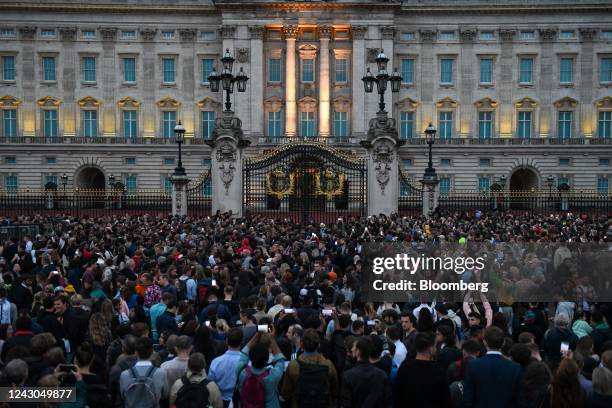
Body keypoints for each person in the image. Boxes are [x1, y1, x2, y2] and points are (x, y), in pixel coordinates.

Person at [462, 326, 524, 408]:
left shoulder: (473, 365)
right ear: (503, 343)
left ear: (485, 342)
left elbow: (468, 398)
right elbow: (520, 400)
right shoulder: (515, 368)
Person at [281, 328, 339, 408]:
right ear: (318, 345)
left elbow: (285, 393)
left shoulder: (293, 365)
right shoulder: (328, 364)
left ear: (301, 344)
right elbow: (335, 391)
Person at [394, 332, 451, 408]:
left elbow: (397, 396)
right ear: (430, 349)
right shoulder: (439, 371)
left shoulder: (404, 368)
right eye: (435, 346)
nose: (436, 348)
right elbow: (445, 400)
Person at [236, 332, 286, 408]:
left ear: (251, 358)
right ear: (267, 359)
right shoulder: (272, 375)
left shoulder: (241, 371)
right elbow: (280, 360)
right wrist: (272, 339)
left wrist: (256, 335)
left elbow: (244, 353)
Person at [340, 336, 391, 408]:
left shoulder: (347, 376)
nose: (352, 349)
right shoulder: (382, 375)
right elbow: (387, 402)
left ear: (358, 352)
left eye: (354, 347)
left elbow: (346, 404)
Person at [118, 337, 169, 408]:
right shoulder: (161, 373)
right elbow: (165, 395)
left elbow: (123, 396)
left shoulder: (124, 375)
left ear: (136, 352)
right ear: (152, 352)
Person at [208, 328, 244, 408]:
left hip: (220, 400)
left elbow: (210, 383)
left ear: (226, 341)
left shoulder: (216, 362)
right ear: (242, 342)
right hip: (240, 401)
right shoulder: (247, 362)